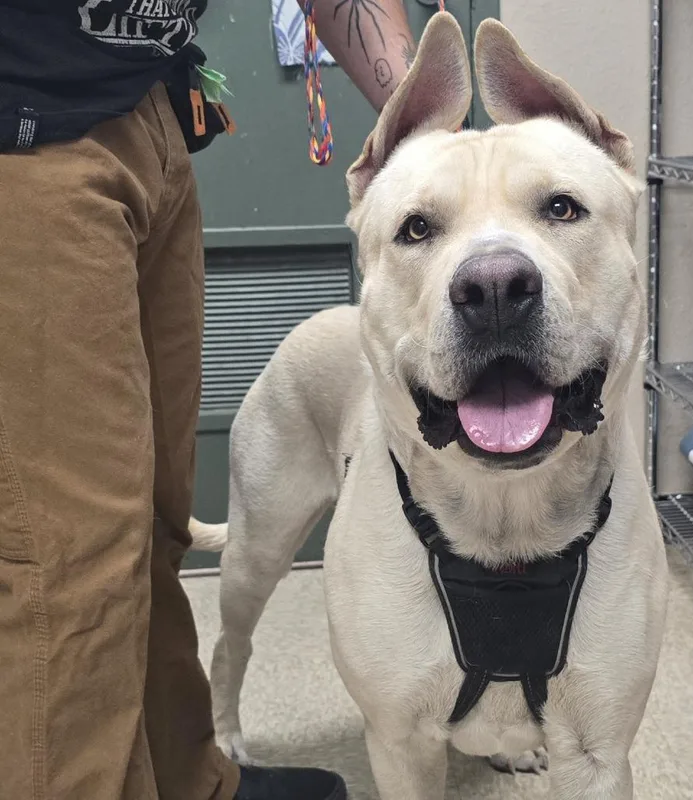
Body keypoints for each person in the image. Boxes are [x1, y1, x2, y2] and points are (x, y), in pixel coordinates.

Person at [0, 2, 416, 799]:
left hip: (148, 107)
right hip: (25, 121)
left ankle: (188, 781)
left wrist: (433, 131)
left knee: (149, 525)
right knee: (68, 563)